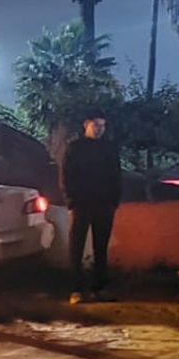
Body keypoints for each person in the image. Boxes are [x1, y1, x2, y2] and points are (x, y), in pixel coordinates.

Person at [61, 110, 122, 304]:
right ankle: (76, 290)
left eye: (102, 126)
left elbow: (116, 175)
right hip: (81, 204)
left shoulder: (109, 148)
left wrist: (114, 201)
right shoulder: (75, 148)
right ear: (86, 125)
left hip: (104, 204)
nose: (99, 129)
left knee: (101, 248)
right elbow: (66, 176)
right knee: (76, 248)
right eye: (96, 125)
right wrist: (72, 201)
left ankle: (100, 288)